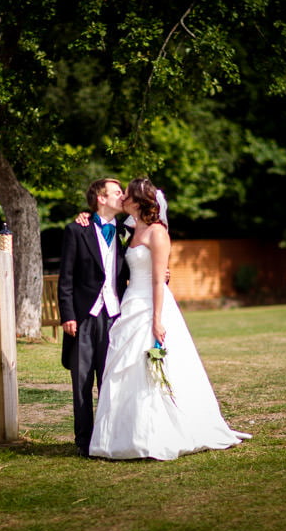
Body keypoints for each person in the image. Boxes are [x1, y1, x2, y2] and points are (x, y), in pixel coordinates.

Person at [89, 178, 251, 460]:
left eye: (127, 195)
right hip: (130, 304)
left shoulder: (157, 233)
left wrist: (156, 319)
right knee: (122, 368)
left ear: (139, 201)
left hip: (152, 305)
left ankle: (157, 434)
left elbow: (157, 282)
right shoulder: (129, 229)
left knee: (154, 367)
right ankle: (117, 438)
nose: (123, 198)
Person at [58, 178, 131, 457]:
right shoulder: (77, 230)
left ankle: (108, 437)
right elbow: (66, 278)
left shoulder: (127, 231)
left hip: (115, 316)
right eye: (116, 192)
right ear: (101, 198)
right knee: (82, 382)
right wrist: (68, 315)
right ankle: (84, 441)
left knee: (111, 380)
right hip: (84, 316)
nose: (122, 196)